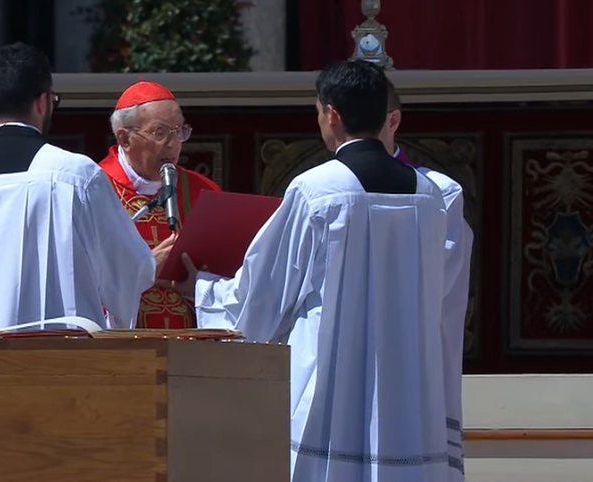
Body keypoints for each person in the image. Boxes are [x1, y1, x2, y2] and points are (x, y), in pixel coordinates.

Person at [173, 60, 454, 481]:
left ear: (332, 114)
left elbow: (266, 290)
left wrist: (205, 289)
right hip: (407, 386)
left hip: (332, 377)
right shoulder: (430, 195)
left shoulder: (318, 189)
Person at [0, 42, 157, 482]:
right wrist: (147, 263)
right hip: (54, 380)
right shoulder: (73, 176)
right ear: (44, 101)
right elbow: (130, 270)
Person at [381, 79, 474, 481]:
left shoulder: (440, 192)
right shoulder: (318, 188)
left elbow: (436, 280)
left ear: (393, 120)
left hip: (411, 356)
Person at [98, 80, 222, 329]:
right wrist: (143, 271)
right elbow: (78, 283)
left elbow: (230, 275)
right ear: (125, 138)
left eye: (179, 131)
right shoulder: (95, 190)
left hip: (192, 353)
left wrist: (199, 286)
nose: (174, 143)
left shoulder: (204, 192)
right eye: (160, 132)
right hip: (119, 353)